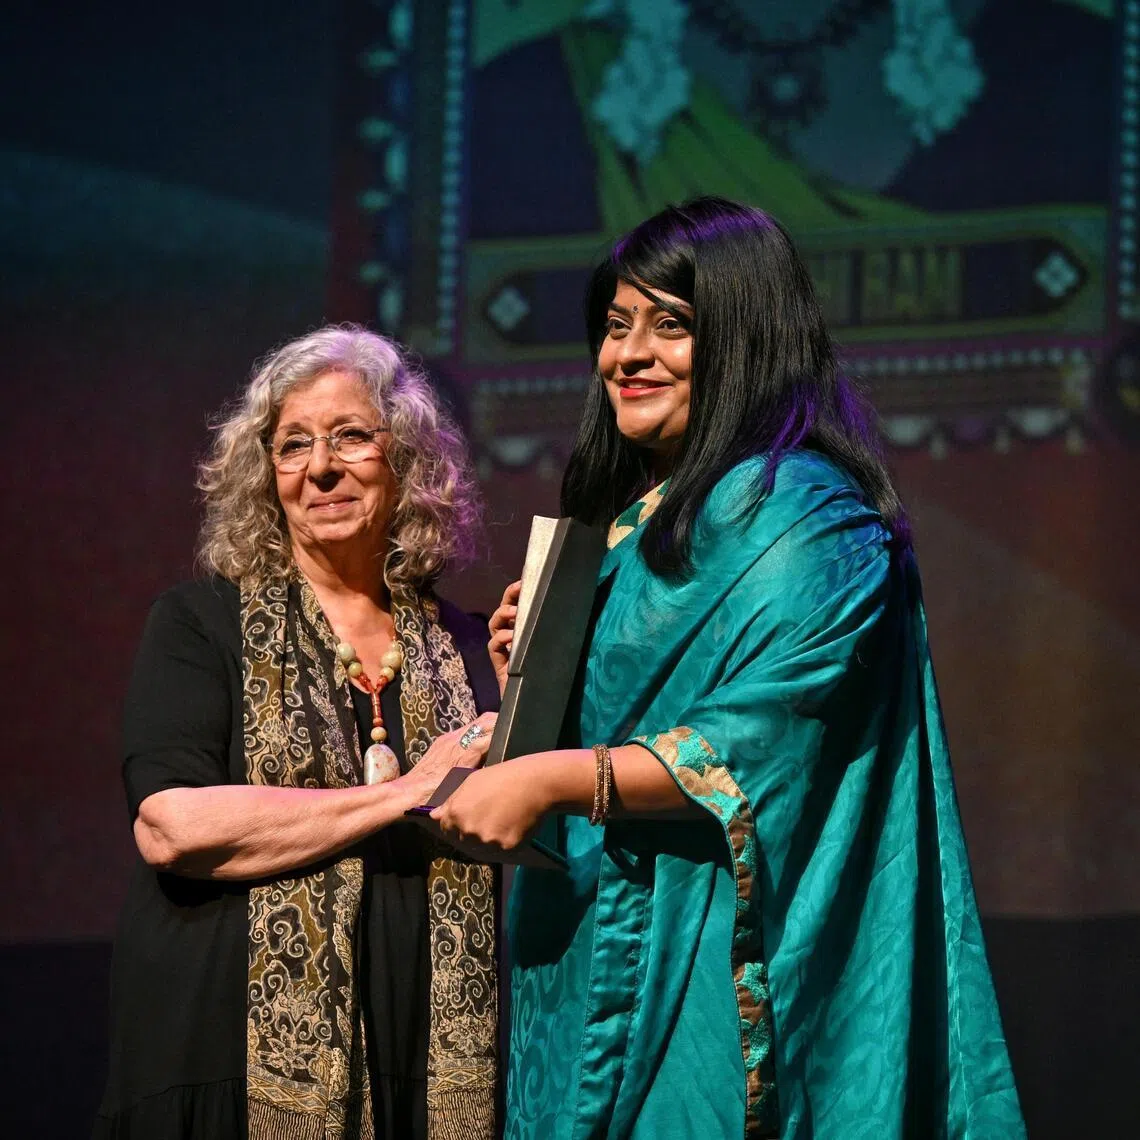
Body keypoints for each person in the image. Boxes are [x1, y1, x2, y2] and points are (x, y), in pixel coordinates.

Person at [432, 198, 1027, 1138]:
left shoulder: (806, 518)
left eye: (670, 325)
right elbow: (631, 720)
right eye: (615, 325)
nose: (626, 355)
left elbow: (758, 740)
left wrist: (546, 775)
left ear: (747, 337)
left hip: (719, 961)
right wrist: (534, 688)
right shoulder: (638, 521)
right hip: (592, 950)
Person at [95, 326, 502, 1140]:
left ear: (410, 459)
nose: (320, 468)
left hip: (430, 1079)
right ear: (265, 476)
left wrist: (536, 684)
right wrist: (408, 792)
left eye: (351, 436)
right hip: (226, 1072)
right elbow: (173, 827)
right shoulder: (200, 625)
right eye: (292, 446)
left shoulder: (467, 648)